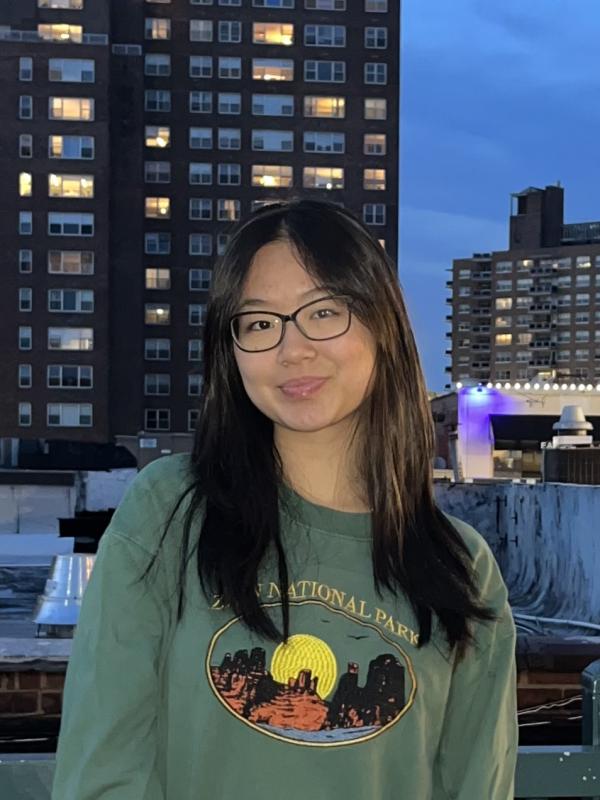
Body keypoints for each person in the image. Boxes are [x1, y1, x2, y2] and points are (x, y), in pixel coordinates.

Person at [52, 199, 518, 800]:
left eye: (324, 312)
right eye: (259, 323)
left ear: (382, 326)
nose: (292, 349)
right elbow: (101, 771)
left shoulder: (460, 566)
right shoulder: (170, 511)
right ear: (233, 351)